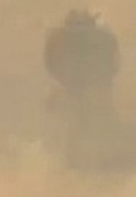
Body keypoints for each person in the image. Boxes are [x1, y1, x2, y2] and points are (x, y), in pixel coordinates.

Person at [43, 10, 121, 169]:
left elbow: (50, 61)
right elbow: (114, 62)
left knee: (76, 128)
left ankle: (77, 163)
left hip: (77, 86)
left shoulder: (63, 37)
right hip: (93, 86)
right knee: (93, 124)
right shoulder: (102, 37)